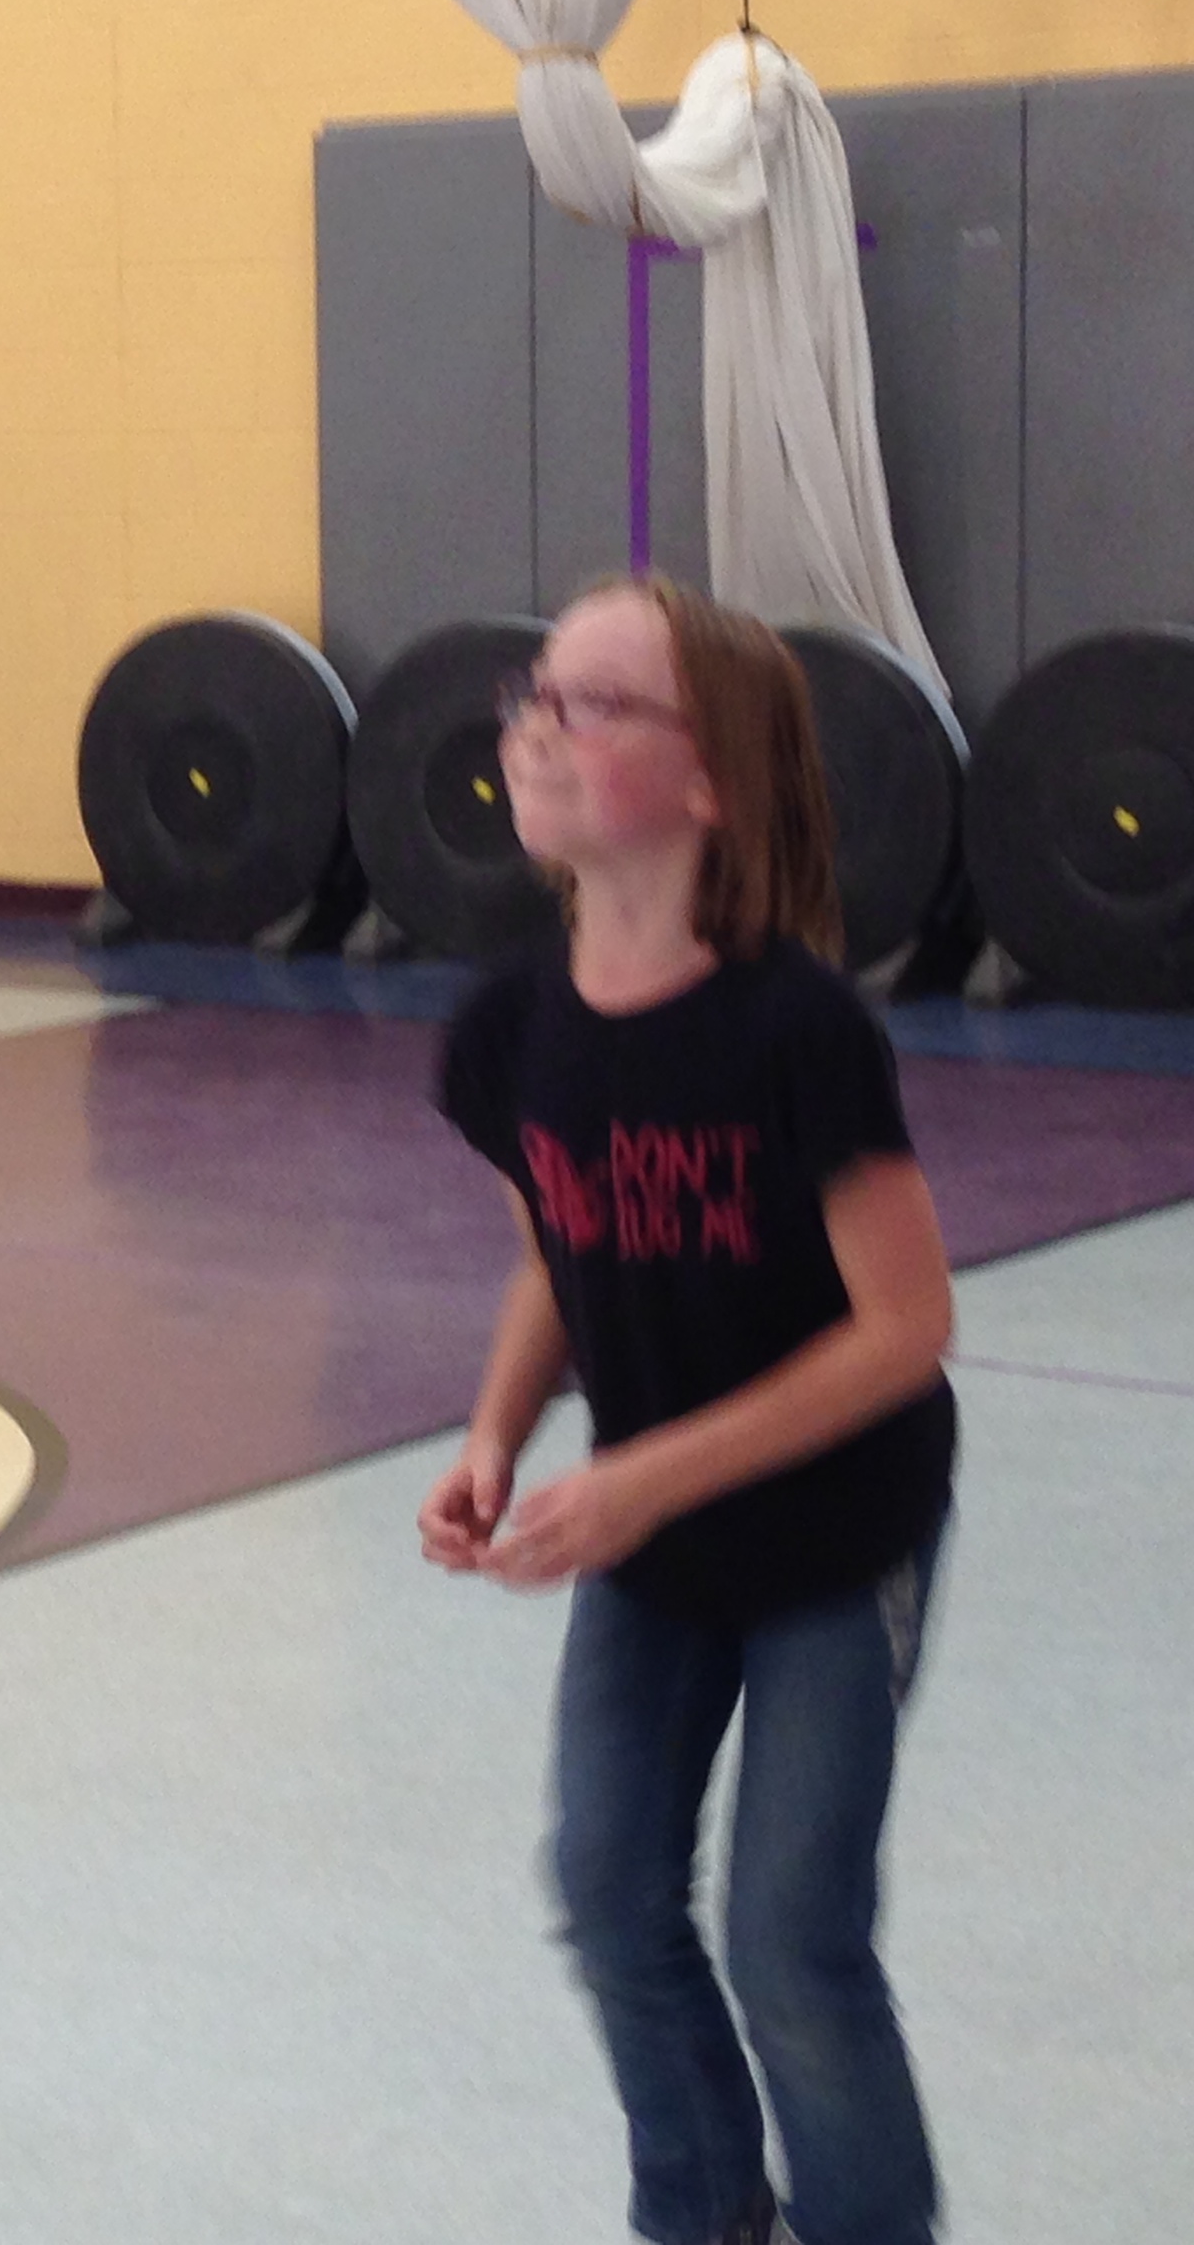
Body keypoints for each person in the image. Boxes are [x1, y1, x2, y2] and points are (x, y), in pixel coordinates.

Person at [420, 573, 958, 2245]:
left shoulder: (798, 1033)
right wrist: (496, 1435)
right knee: (607, 1888)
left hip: (833, 1533)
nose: (535, 727)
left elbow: (907, 1329)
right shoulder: (508, 1032)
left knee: (791, 1941)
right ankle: (707, 2212)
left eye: (590, 703)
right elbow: (557, 1260)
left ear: (709, 776)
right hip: (653, 1537)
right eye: (532, 693)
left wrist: (645, 1479)